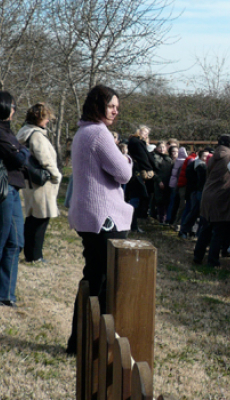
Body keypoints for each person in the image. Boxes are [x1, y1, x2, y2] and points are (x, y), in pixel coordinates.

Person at [66, 85, 133, 354]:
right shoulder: (98, 133)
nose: (116, 110)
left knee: (93, 280)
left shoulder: (83, 131)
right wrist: (126, 158)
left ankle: (80, 342)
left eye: (117, 106)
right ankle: (89, 344)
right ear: (97, 106)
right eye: (111, 105)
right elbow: (123, 173)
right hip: (104, 218)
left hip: (91, 217)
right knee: (101, 283)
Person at [16, 103, 62, 263]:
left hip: (30, 182)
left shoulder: (24, 132)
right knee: (40, 220)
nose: (48, 120)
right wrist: (57, 176)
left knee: (32, 219)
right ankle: (35, 256)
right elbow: (46, 160)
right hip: (41, 184)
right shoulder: (36, 135)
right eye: (46, 117)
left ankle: (30, 253)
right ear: (39, 118)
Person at [0, 92, 29, 307]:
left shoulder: (8, 133)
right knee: (3, 241)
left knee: (16, 241)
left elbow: (22, 154)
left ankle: (6, 294)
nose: (14, 110)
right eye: (12, 106)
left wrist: (21, 151)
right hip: (4, 190)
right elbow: (20, 157)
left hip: (13, 189)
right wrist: (21, 151)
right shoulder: (1, 134)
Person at [199, 134, 230, 267]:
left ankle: (197, 256)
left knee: (205, 228)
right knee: (219, 231)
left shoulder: (213, 156)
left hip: (207, 195)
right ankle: (213, 260)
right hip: (221, 196)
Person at [126, 125, 157, 233]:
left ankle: (132, 224)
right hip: (136, 174)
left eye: (147, 133)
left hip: (136, 172)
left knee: (136, 199)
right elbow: (143, 157)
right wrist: (149, 169)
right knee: (134, 200)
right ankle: (131, 225)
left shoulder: (136, 142)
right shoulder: (136, 142)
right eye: (144, 132)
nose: (146, 135)